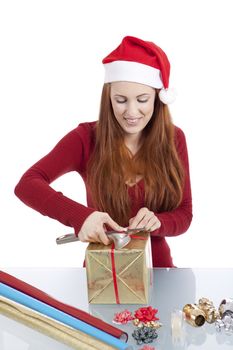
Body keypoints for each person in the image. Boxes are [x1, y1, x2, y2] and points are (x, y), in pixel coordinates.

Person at [14, 36, 192, 267]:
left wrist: (159, 222)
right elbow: (27, 184)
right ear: (108, 99)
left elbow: (185, 214)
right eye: (120, 100)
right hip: (102, 276)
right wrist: (81, 216)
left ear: (158, 99)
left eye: (142, 99)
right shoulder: (85, 139)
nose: (131, 111)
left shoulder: (174, 138)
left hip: (160, 272)